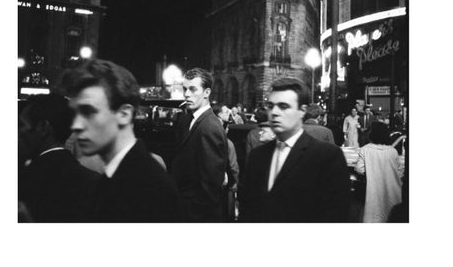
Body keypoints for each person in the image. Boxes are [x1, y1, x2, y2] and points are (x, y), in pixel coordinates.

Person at [64, 59, 186, 222]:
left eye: (88, 111)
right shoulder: (124, 174)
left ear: (124, 114)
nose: (76, 125)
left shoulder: (148, 189)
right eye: (75, 113)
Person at [241, 78, 350, 222]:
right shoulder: (257, 156)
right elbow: (248, 209)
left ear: (302, 111)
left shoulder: (327, 157)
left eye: (283, 106)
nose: (274, 112)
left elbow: (334, 216)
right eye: (270, 106)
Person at [18, 94, 100, 222]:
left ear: (43, 128)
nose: (18, 132)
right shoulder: (94, 181)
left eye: (21, 125)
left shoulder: (25, 179)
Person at [171, 68, 229, 222]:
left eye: (193, 89)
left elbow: (210, 188)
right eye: (185, 89)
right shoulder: (189, 120)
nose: (187, 94)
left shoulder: (210, 127)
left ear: (207, 92)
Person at [355, 122, 403, 223]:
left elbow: (359, 169)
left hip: (373, 191)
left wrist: (372, 171)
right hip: (392, 191)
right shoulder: (392, 151)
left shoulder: (365, 150)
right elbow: (400, 172)